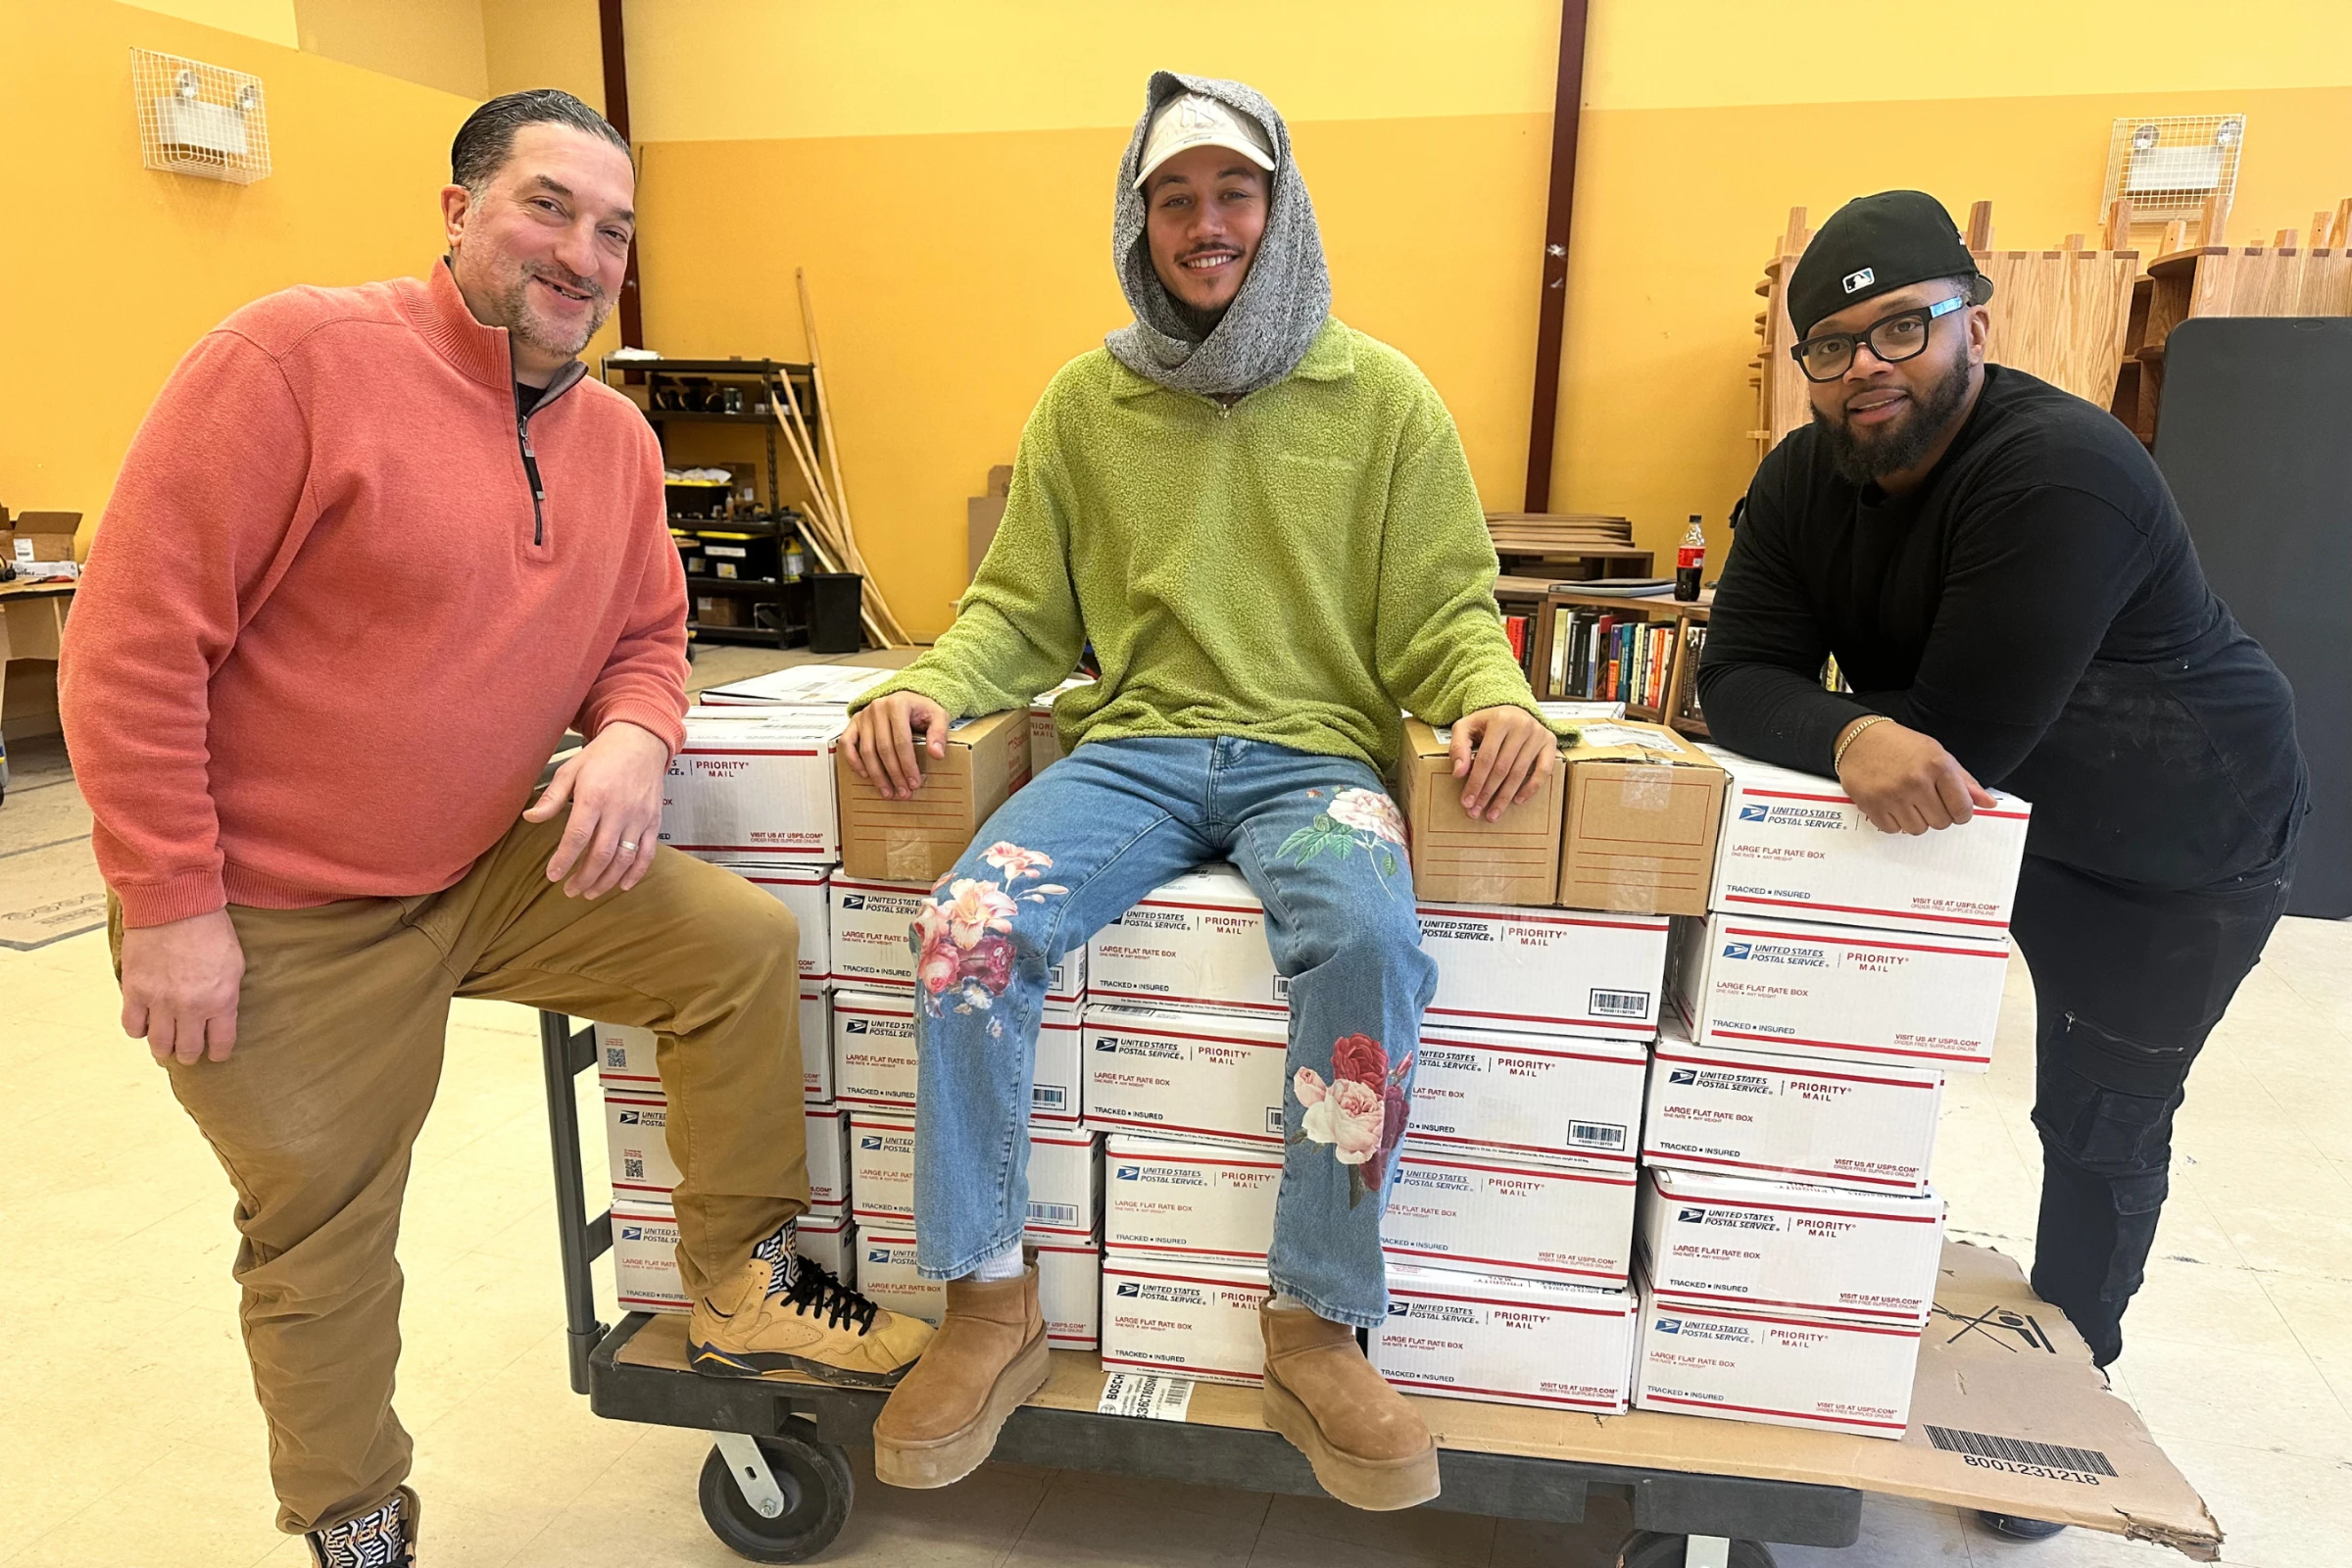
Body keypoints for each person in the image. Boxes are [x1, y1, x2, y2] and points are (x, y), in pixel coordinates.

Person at [58, 89, 929, 1568]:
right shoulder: (291, 363)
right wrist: (173, 904)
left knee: (736, 951)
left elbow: (653, 633)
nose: (584, 254)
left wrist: (639, 741)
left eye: (613, 228)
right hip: (278, 905)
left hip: (482, 862)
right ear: (456, 210)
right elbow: (129, 650)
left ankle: (738, 1276)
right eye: (548, 207)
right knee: (326, 1232)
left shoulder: (616, 446)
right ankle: (358, 1525)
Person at [838, 72, 1555, 1510]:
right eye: (1176, 198)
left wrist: (1494, 696)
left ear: (1279, 213)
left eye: (1234, 194)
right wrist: (927, 685)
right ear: (1139, 221)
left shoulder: (1385, 399)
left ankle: (1314, 1323)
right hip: (1137, 752)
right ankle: (988, 1302)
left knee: (1366, 941)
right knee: (968, 925)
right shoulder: (1086, 403)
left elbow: (1444, 610)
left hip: (1311, 760)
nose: (1205, 223)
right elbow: (1019, 609)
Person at [1699, 190, 2304, 1543]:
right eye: (1834, 342)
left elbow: (1960, 745)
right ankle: (1777, 1324)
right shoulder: (1810, 473)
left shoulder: (2059, 472)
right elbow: (1733, 673)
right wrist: (1850, 727)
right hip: (1950, 814)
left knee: (2096, 1117)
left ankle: (2059, 1401)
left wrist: (1862, 732)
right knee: (1829, 1058)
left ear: (1979, 316)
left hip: (2171, 833)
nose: (1869, 365)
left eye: (1904, 325)